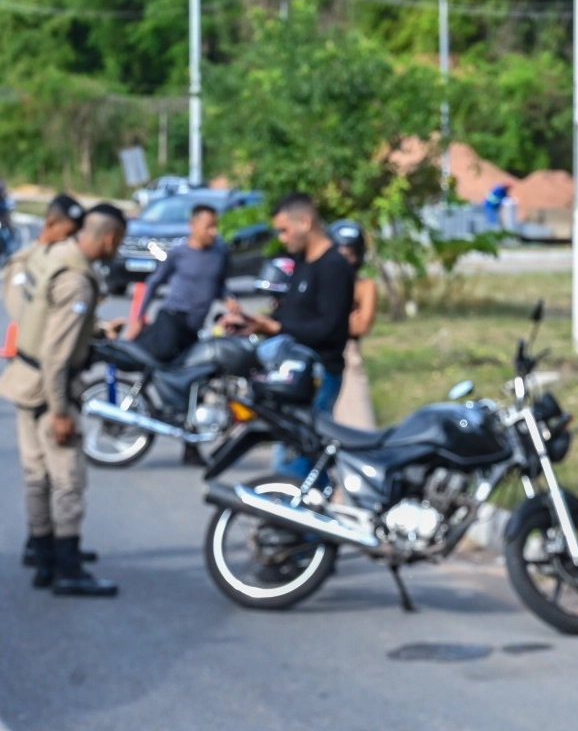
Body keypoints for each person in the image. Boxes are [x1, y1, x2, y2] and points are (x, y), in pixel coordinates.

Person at [0, 204, 127, 596]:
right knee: (67, 478)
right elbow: (57, 354)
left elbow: (38, 311)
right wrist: (59, 411)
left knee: (36, 476)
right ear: (108, 238)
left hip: (25, 378)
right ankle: (68, 570)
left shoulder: (51, 256)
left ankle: (43, 556)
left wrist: (96, 330)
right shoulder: (77, 281)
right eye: (118, 242)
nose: (117, 249)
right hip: (49, 389)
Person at [222, 193, 353, 476]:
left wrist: (278, 328)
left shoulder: (334, 266)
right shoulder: (303, 261)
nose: (281, 238)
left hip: (320, 376)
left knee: (296, 463)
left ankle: (299, 516)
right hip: (294, 374)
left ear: (305, 222)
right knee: (292, 456)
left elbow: (330, 329)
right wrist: (254, 323)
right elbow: (292, 316)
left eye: (284, 230)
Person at [126, 202, 230, 465]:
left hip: (195, 327)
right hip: (172, 318)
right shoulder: (179, 253)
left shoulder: (220, 253)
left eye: (215, 226)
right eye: (208, 226)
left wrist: (229, 301)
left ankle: (190, 446)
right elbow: (153, 283)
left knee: (196, 381)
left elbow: (218, 286)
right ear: (193, 226)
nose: (213, 232)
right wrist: (138, 318)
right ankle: (152, 398)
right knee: (159, 357)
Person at [2, 193, 85, 324]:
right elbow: (22, 313)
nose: (71, 242)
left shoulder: (65, 265)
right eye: (68, 234)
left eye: (75, 236)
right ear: (51, 223)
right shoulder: (22, 262)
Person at [328, 218, 378, 430]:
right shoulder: (322, 281)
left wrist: (326, 318)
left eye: (350, 254)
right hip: (320, 354)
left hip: (349, 357)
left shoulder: (365, 286)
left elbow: (361, 326)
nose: (345, 259)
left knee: (359, 427)